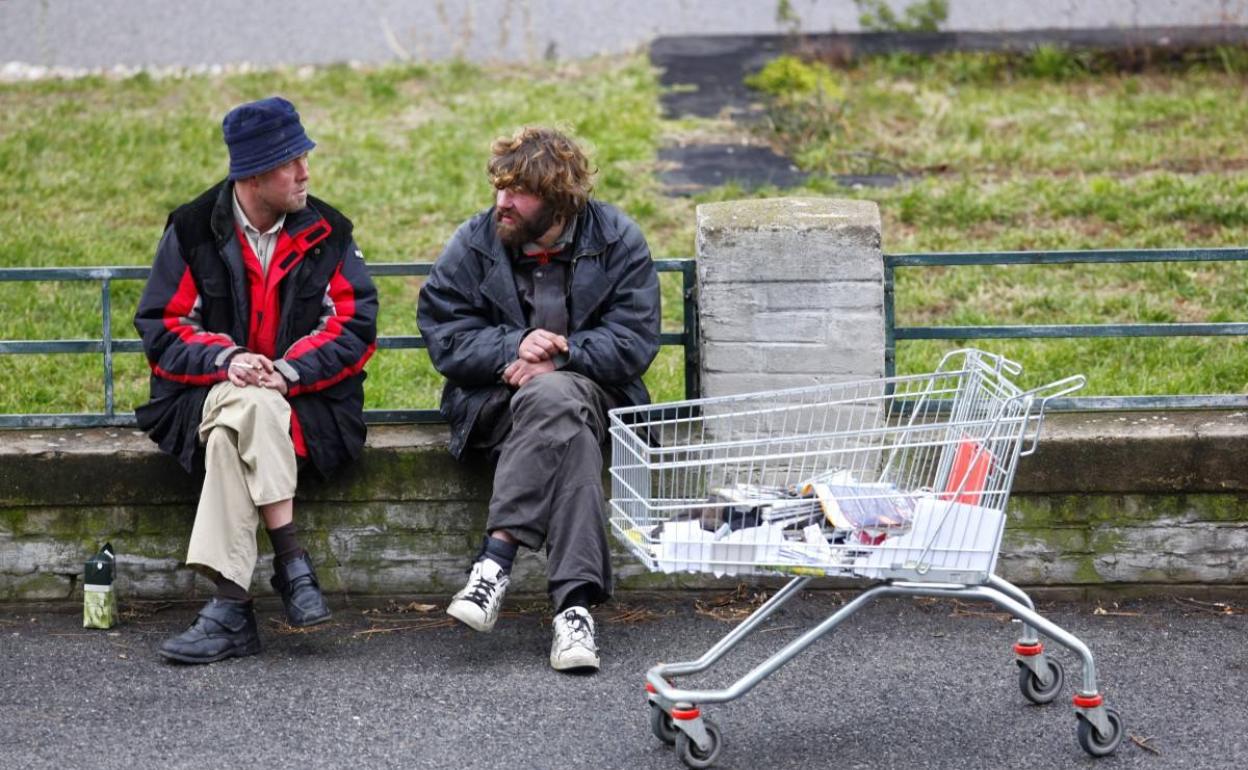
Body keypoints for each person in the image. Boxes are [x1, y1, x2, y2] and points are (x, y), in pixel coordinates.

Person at [134, 96, 378, 664]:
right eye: (291, 160)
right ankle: (291, 562)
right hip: (203, 395)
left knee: (234, 431)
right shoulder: (193, 229)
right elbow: (164, 326)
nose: (305, 172)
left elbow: (354, 324)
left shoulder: (329, 230)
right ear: (254, 173)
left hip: (310, 407)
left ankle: (231, 609)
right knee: (245, 403)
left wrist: (285, 372)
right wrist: (229, 361)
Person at [417, 126, 660, 673]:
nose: (501, 202)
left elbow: (634, 340)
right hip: (496, 405)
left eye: (517, 192)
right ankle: (574, 611)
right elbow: (445, 332)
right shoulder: (476, 241)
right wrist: (513, 344)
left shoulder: (617, 238)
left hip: (597, 397)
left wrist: (564, 355)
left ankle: (494, 562)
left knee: (559, 397)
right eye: (499, 188)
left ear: (556, 199)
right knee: (566, 431)